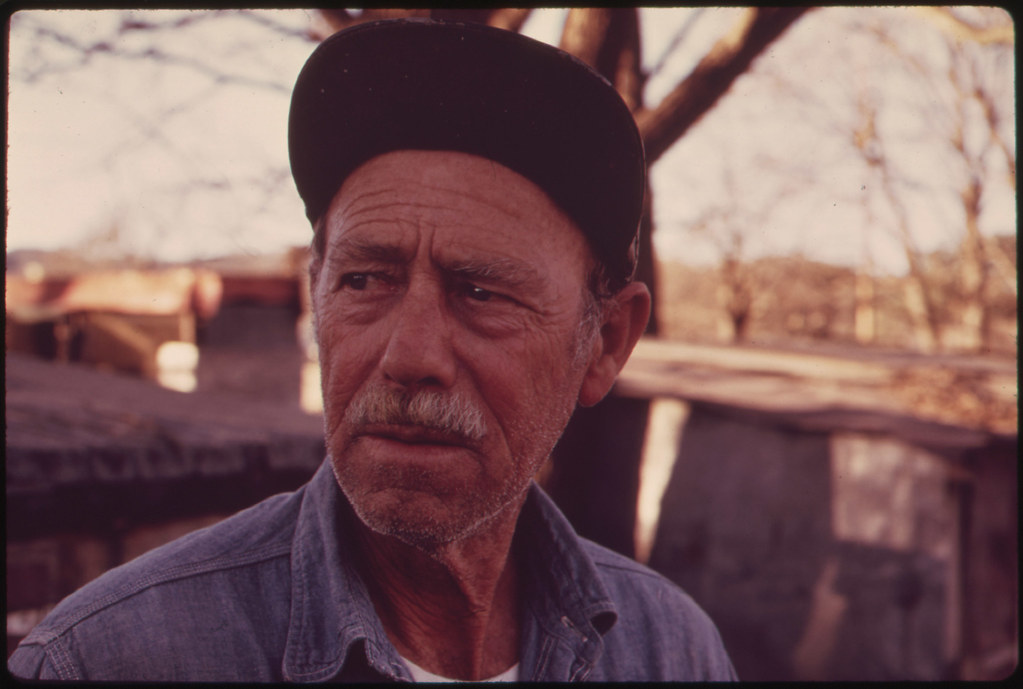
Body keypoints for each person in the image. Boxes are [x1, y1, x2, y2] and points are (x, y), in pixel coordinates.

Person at [8, 18, 736, 682]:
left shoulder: (670, 650)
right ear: (314, 294)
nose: (408, 354)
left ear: (605, 342)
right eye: (363, 280)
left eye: (480, 293)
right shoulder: (107, 660)